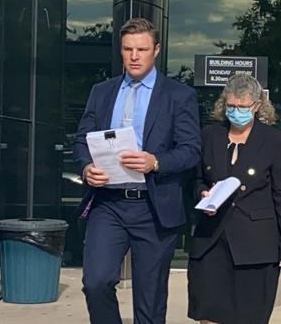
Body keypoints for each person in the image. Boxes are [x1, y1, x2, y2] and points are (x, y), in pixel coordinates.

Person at [73, 17, 201, 324]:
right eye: (128, 49)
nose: (134, 56)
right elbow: (82, 139)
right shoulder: (101, 91)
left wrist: (155, 162)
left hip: (154, 206)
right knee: (96, 282)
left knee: (150, 299)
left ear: (155, 50)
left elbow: (191, 150)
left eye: (141, 49)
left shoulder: (178, 96)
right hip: (109, 204)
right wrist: (87, 166)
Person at [188, 74, 281, 324]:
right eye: (231, 106)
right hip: (211, 241)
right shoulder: (209, 135)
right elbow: (195, 180)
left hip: (256, 245)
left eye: (242, 106)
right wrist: (203, 194)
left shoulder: (271, 140)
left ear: (257, 106)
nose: (235, 111)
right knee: (208, 312)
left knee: (249, 316)